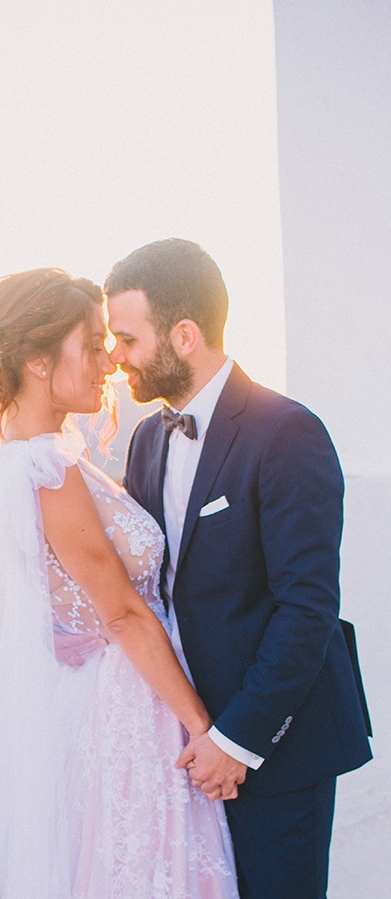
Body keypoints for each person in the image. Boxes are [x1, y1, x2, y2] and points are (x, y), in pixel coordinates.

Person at [0, 268, 239, 899]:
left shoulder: (52, 459)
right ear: (38, 361)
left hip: (128, 693)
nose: (108, 362)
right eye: (93, 344)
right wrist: (203, 729)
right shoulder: (47, 471)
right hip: (137, 705)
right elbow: (122, 614)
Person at [104, 238, 373, 899]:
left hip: (279, 745)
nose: (115, 356)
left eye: (127, 338)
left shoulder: (287, 432)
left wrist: (237, 738)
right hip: (188, 749)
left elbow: (305, 609)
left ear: (185, 335)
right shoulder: (146, 438)